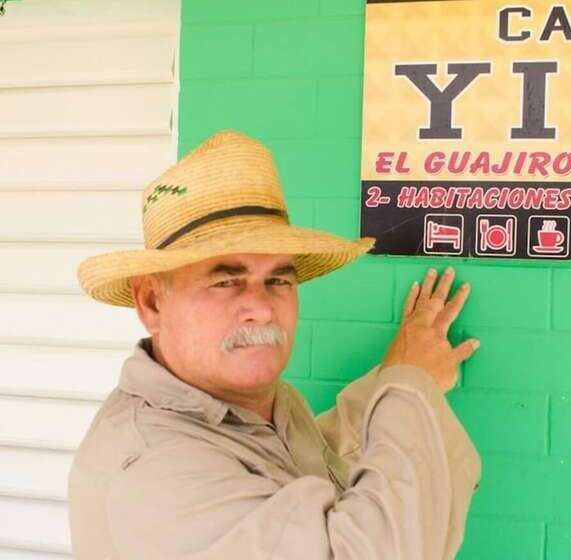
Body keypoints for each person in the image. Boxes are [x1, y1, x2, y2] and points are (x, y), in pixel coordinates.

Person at [68, 130, 481, 559]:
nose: (262, 309)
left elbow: (310, 461)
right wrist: (409, 385)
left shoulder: (257, 404)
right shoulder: (152, 471)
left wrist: (402, 371)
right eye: (226, 281)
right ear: (152, 301)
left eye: (278, 280)